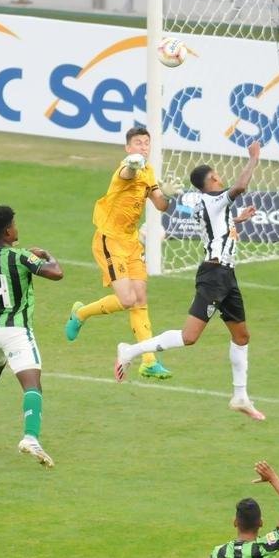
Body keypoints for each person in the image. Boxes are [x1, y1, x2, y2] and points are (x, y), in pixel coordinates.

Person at [115, 141, 265, 419]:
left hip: (227, 275)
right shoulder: (214, 199)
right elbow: (240, 187)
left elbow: (217, 229)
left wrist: (238, 220)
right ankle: (130, 350)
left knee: (242, 336)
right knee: (189, 337)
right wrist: (254, 158)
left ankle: (240, 396)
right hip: (214, 276)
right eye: (218, 174)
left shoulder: (211, 204)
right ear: (214, 179)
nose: (222, 177)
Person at [64, 126, 180, 380]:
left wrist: (169, 194)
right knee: (127, 300)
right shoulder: (125, 170)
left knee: (140, 298)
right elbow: (128, 171)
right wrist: (133, 163)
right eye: (138, 143)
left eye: (146, 143)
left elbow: (160, 204)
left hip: (131, 242)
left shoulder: (148, 171)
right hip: (110, 240)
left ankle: (149, 361)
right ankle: (80, 313)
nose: (143, 147)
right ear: (128, 147)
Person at [0, 204, 64, 468]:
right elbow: (56, 273)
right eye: (15, 225)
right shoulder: (22, 257)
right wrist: (45, 255)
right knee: (33, 385)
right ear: (8, 231)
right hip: (15, 330)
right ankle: (30, 438)